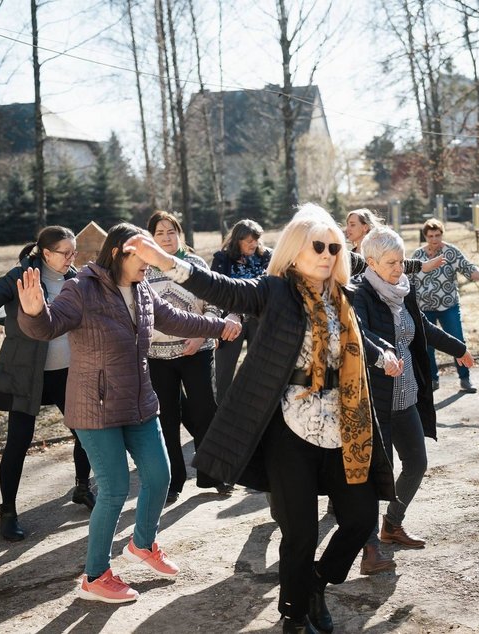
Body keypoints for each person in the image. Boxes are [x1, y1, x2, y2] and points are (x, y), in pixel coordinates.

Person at [123, 204, 398, 634]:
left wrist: (380, 354)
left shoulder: (344, 298)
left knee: (362, 518)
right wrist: (167, 263)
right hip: (289, 426)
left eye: (333, 247)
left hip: (346, 425)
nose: (326, 254)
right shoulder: (274, 291)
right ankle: (293, 612)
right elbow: (225, 290)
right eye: (317, 246)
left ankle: (316, 584)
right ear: (294, 250)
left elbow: (358, 336)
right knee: (300, 532)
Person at [16, 222, 235, 604]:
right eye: (144, 254)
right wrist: (34, 312)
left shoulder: (143, 290)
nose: (151, 262)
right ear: (119, 252)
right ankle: (95, 576)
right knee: (115, 488)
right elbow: (49, 325)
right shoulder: (81, 288)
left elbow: (177, 320)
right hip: (93, 408)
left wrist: (221, 327)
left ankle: (142, 544)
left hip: (139, 403)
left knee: (159, 474)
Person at [353, 226, 474, 574]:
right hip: (375, 397)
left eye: (401, 259)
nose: (399, 267)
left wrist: (459, 349)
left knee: (416, 463)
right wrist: (385, 352)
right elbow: (359, 333)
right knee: (376, 476)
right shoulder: (359, 294)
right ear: (371, 263)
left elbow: (421, 327)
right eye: (391, 262)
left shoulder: (403, 289)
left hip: (405, 394)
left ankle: (391, 524)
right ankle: (370, 548)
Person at [0, 226, 95, 542]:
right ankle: (7, 512)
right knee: (19, 442)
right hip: (27, 372)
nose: (71, 257)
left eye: (74, 251)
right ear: (46, 253)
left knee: (88, 434)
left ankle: (82, 486)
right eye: (65, 252)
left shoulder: (73, 277)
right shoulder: (20, 276)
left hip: (68, 372)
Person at [146, 211, 237, 503]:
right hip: (158, 357)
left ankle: (213, 474)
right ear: (151, 238)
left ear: (179, 234)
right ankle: (174, 480)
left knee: (204, 411)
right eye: (159, 233)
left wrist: (201, 337)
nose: (166, 238)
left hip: (197, 351)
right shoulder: (144, 269)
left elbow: (213, 305)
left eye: (171, 231)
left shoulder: (194, 265)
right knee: (168, 418)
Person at [411, 218, 479, 393]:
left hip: (449, 306)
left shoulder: (450, 252)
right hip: (424, 309)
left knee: (457, 341)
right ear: (425, 236)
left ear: (442, 234)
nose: (434, 239)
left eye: (438, 235)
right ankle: (432, 379)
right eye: (430, 236)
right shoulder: (417, 255)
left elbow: (468, 268)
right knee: (427, 345)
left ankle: (465, 379)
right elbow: (409, 279)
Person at [210, 218, 271, 401]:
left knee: (260, 368)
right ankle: (221, 410)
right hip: (231, 319)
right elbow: (215, 292)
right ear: (238, 241)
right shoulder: (222, 259)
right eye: (249, 241)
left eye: (256, 240)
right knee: (225, 369)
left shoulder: (267, 256)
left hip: (259, 319)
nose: (254, 244)